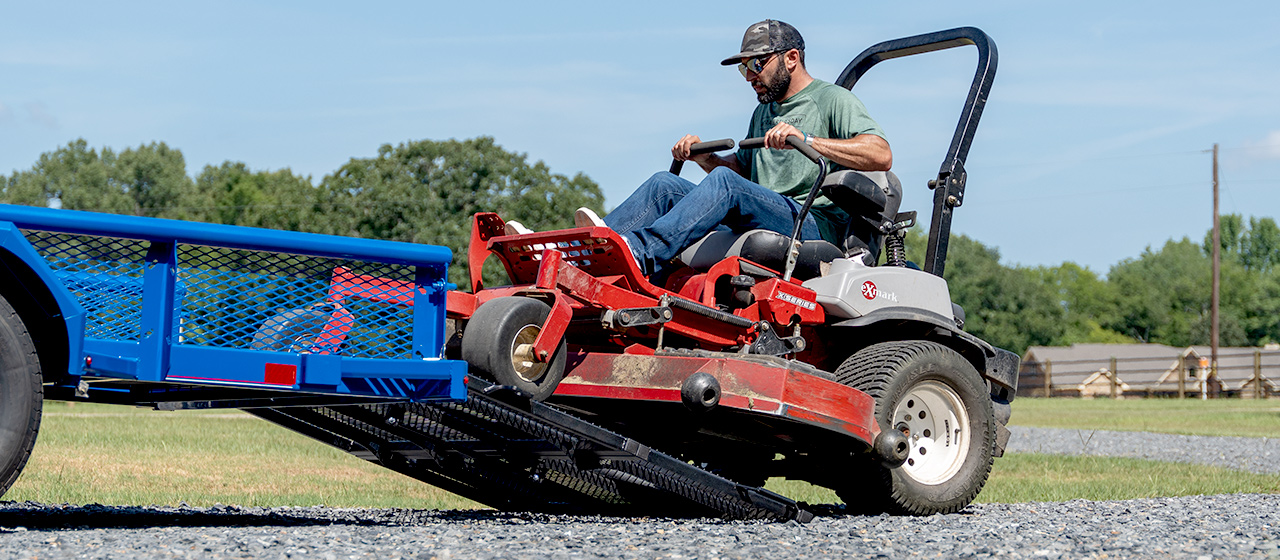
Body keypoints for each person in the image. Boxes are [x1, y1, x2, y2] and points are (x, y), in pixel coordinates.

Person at [509, 20, 892, 276]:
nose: (750, 77)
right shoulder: (764, 114)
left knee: (724, 183)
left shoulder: (833, 100)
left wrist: (808, 141)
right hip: (764, 210)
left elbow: (880, 154)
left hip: (812, 223)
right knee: (665, 184)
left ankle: (639, 254)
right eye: (744, 69)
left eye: (757, 64)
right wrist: (704, 159)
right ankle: (575, 256)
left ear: (792, 58)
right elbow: (743, 178)